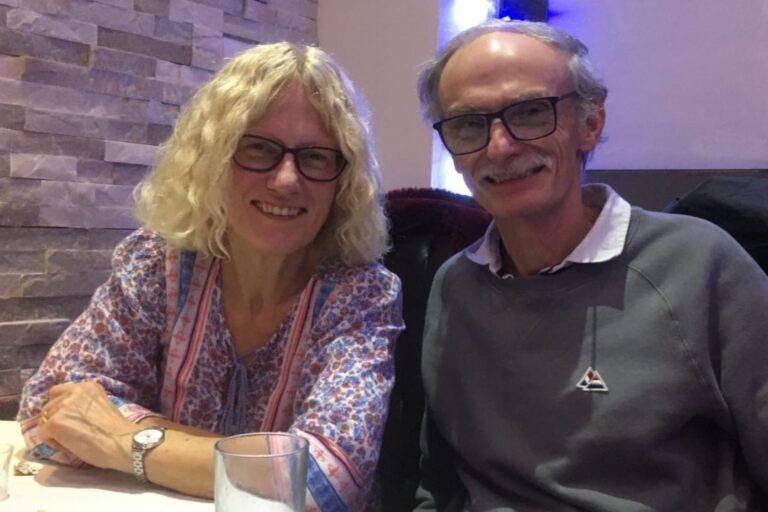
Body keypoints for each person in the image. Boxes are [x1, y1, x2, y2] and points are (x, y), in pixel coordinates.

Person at [17, 42, 405, 511]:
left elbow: (321, 480)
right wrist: (257, 456)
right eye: (259, 148)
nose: (286, 180)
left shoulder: (363, 293)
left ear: (343, 180)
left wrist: (126, 440)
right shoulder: (157, 261)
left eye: (317, 157)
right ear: (213, 158)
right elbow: (48, 411)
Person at [414, 19, 768, 511]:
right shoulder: (454, 286)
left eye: (532, 112)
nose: (499, 146)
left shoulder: (698, 263)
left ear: (590, 124)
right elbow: (439, 481)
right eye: (469, 124)